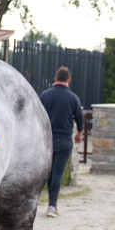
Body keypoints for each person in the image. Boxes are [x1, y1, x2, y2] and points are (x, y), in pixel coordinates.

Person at [39, 66, 84, 217]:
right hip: (64, 140)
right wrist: (79, 134)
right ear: (69, 80)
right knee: (58, 173)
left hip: (46, 140)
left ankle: (39, 201)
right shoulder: (73, 98)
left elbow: (37, 115)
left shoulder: (45, 95)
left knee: (47, 173)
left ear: (55, 78)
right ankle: (52, 206)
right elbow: (80, 118)